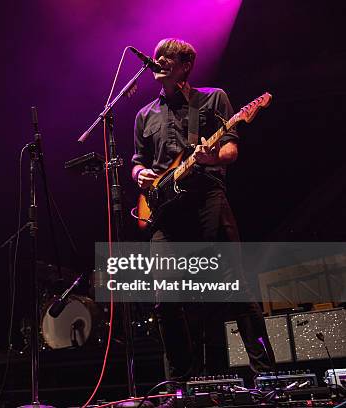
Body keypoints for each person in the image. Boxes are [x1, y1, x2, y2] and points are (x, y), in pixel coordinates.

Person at [131, 38, 275, 380]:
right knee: (164, 299)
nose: (159, 60)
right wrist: (140, 175)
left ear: (184, 66)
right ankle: (180, 382)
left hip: (206, 196)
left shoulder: (213, 98)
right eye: (157, 57)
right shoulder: (143, 115)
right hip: (164, 211)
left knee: (235, 288)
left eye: (167, 57)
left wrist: (212, 156)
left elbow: (230, 151)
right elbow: (137, 162)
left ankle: (265, 374)